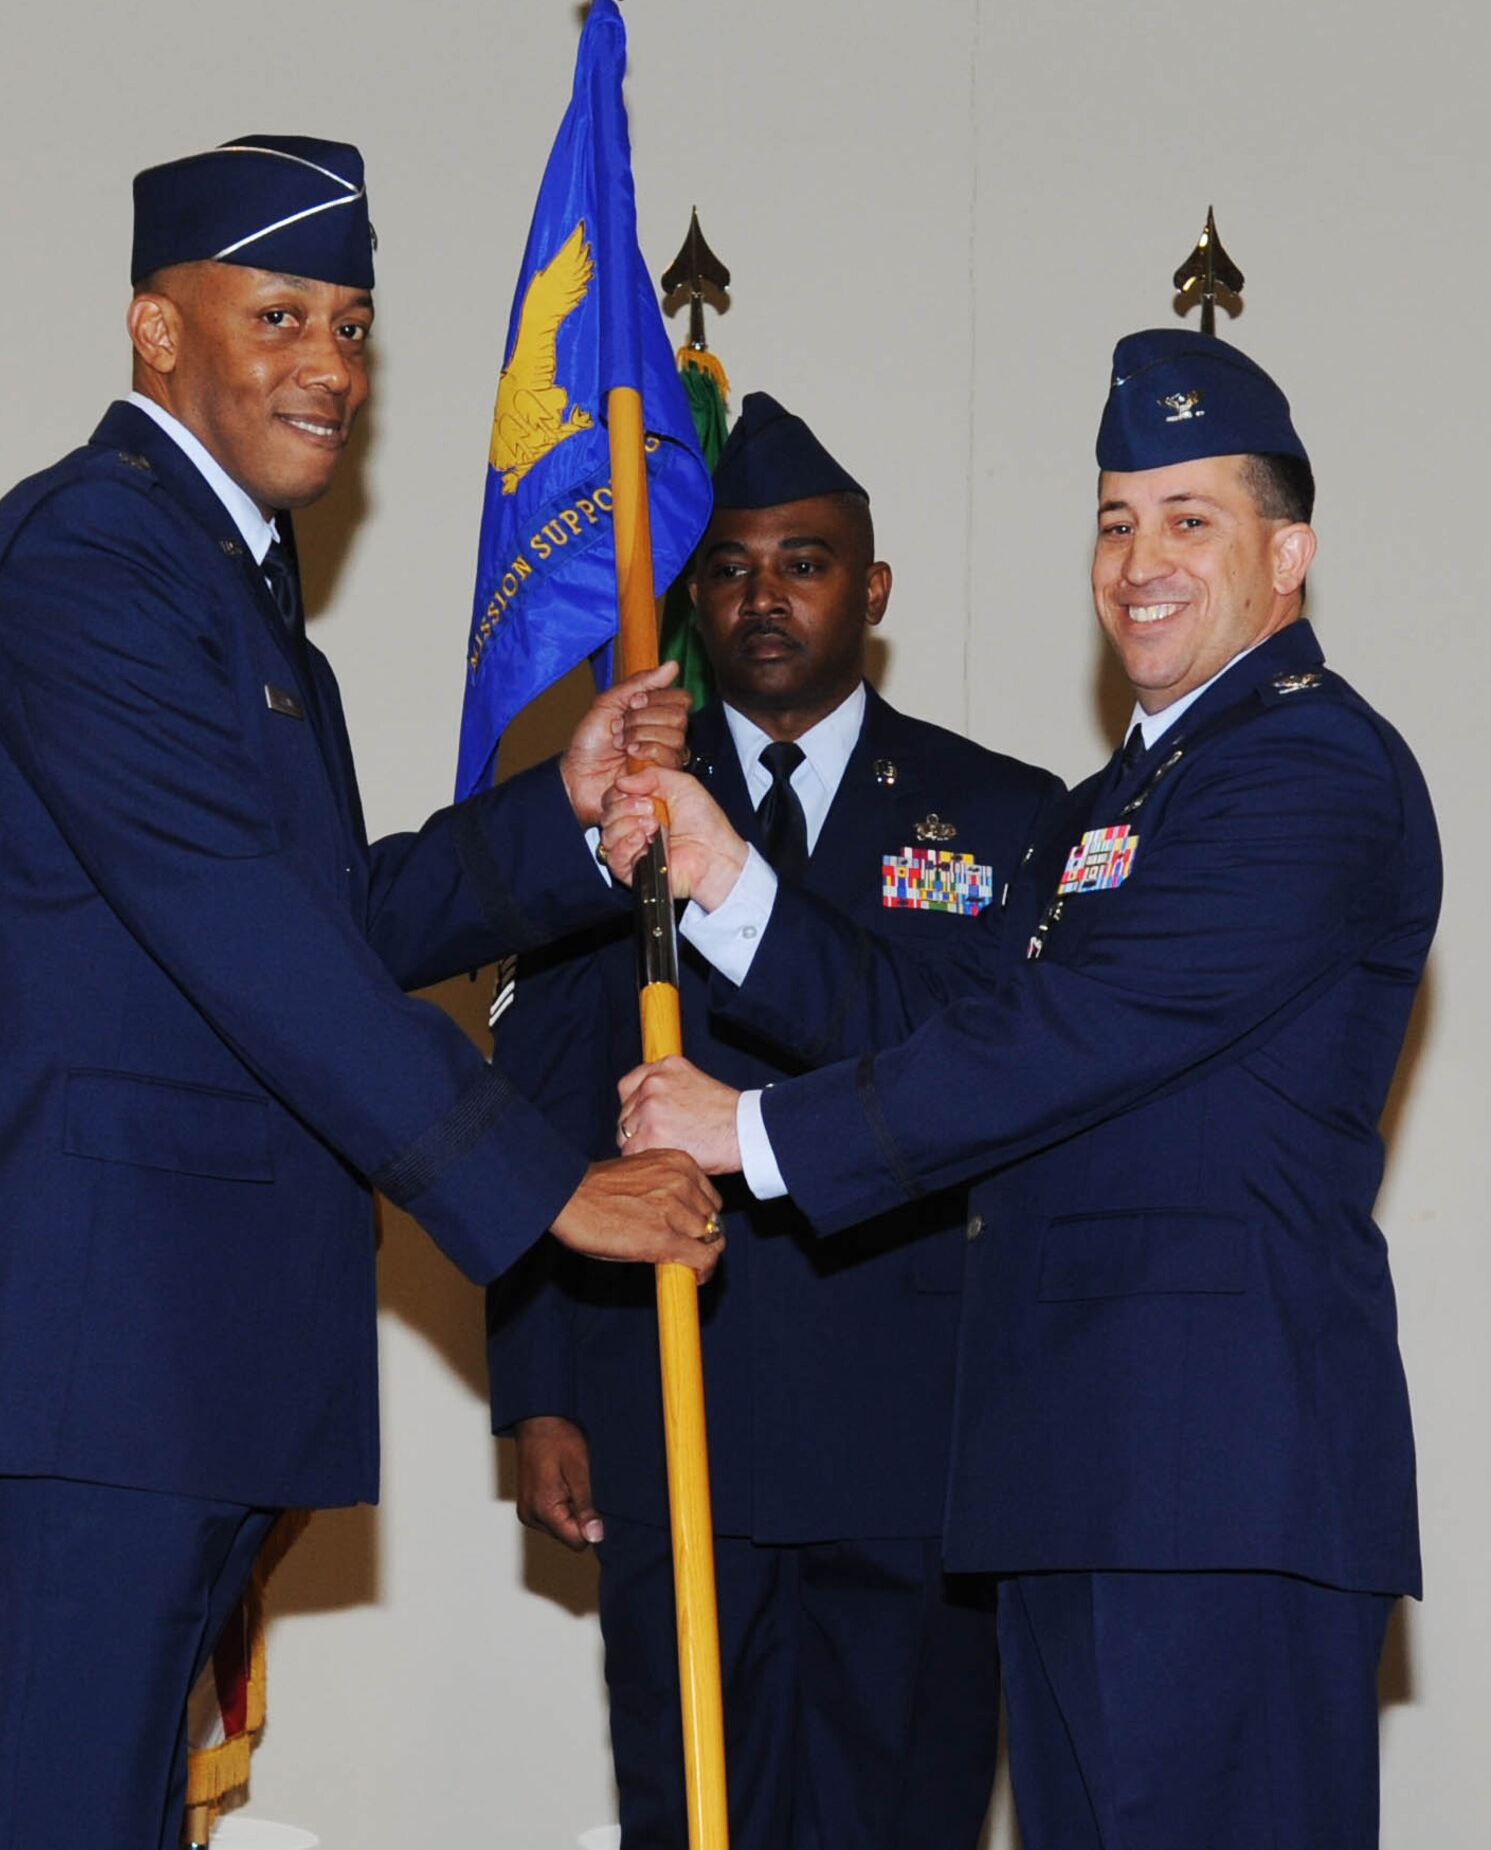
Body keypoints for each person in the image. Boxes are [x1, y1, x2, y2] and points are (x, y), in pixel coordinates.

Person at [0, 133, 723, 1850]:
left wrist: (552, 813)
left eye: (351, 324)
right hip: (87, 1359)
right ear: (154, 330)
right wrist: (547, 1188)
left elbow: (322, 916)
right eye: (278, 314)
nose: (329, 363)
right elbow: (253, 946)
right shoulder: (90, 565)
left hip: (174, 1362)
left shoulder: (233, 598)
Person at [606, 332, 1441, 1850]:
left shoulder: (1311, 768)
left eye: (1193, 519)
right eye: (1118, 520)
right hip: (1076, 1486)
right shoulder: (1124, 798)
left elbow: (1082, 1034)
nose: (1142, 561)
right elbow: (963, 1006)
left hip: (1213, 1491)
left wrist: (754, 1134)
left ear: (1290, 551)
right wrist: (728, 879)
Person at [489, 393, 1060, 1849]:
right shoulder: (611, 814)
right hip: (678, 1401)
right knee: (692, 1815)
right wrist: (540, 1388)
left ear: (870, 590)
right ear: (693, 592)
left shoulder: (998, 815)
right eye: (732, 567)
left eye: (804, 562)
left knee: (903, 1808)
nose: (764, 597)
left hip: (909, 1420)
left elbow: (983, 1070)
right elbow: (546, 1106)